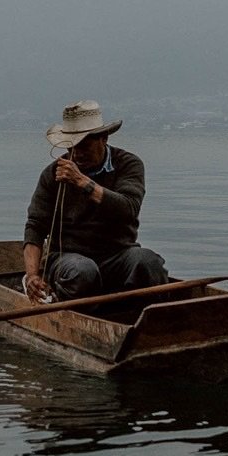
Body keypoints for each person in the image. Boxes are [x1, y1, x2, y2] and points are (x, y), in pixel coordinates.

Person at [23, 100, 168, 303]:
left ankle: (139, 313)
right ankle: (76, 312)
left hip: (118, 254)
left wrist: (82, 182)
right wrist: (32, 276)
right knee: (82, 271)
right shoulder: (52, 175)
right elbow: (35, 227)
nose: (76, 154)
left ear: (104, 138)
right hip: (68, 258)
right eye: (71, 147)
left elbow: (129, 208)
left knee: (149, 263)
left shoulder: (128, 164)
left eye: (83, 146)